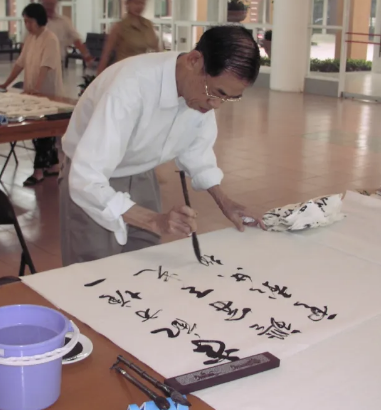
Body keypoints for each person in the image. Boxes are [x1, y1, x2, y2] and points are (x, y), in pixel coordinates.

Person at [60, 26, 266, 266]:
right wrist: (154, 220)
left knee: (144, 260)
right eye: (216, 93)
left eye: (228, 98)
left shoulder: (199, 93)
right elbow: (86, 179)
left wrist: (225, 202)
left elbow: (196, 151)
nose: (216, 105)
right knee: (93, 267)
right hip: (92, 179)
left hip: (142, 174)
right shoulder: (130, 87)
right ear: (194, 60)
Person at [0, 3, 64, 186]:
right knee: (41, 133)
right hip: (33, 93)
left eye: (29, 21)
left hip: (47, 93)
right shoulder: (31, 38)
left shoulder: (50, 39)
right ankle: (54, 165)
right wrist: (5, 84)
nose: (27, 25)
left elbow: (46, 66)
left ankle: (38, 171)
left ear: (39, 20)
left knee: (43, 132)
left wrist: (37, 89)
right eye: (25, 21)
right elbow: (20, 63)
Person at [96, 0, 160, 74]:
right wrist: (98, 79)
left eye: (142, 3)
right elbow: (106, 56)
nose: (139, 7)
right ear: (127, 3)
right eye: (136, 2)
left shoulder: (148, 25)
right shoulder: (119, 27)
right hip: (125, 73)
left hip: (144, 72)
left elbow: (156, 49)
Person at [41, 0, 93, 67]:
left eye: (51, 4)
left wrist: (86, 56)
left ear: (56, 3)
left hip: (57, 63)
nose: (49, 7)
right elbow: (25, 43)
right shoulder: (35, 22)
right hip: (38, 63)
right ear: (42, 3)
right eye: (47, 4)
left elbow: (76, 39)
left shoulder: (64, 22)